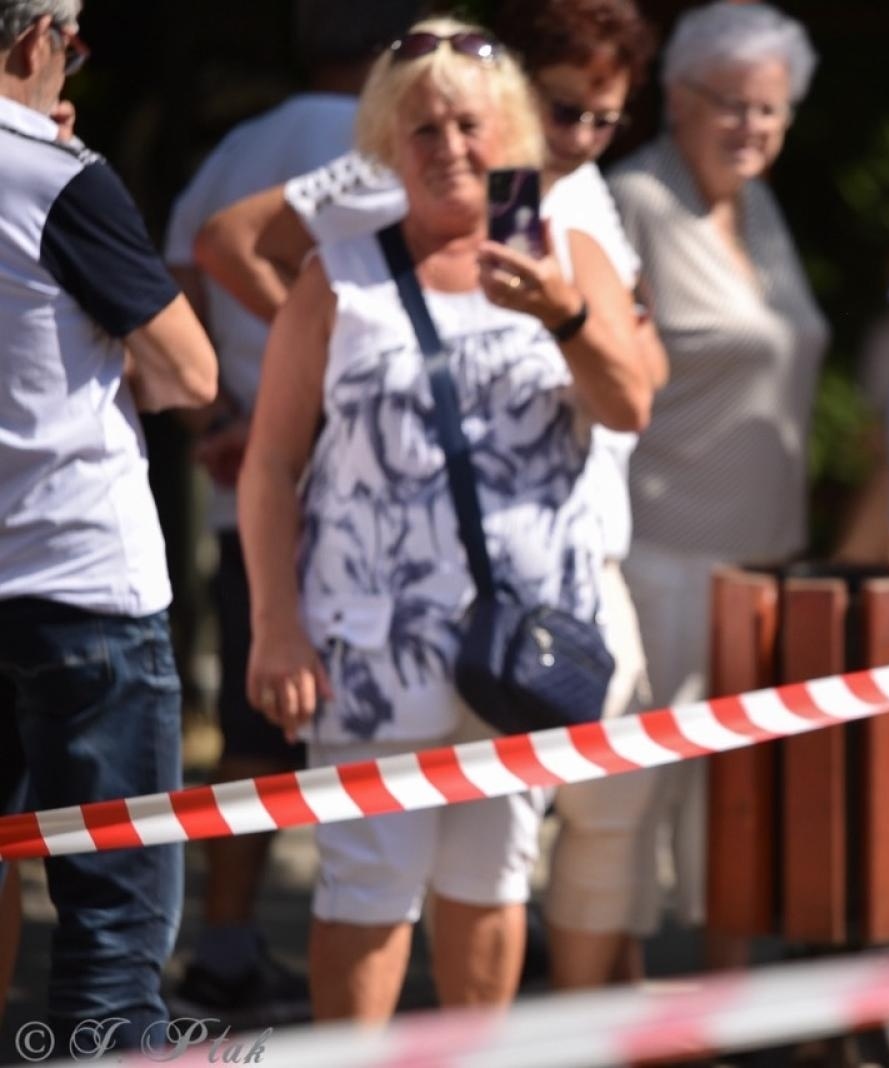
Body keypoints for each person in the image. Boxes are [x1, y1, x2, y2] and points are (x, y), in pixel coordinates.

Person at [193, 0, 669, 992]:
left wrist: (568, 315)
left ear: (511, 132)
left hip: (523, 642)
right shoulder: (339, 278)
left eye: (470, 125)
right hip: (370, 638)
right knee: (367, 893)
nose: (449, 146)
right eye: (423, 128)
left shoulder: (564, 253)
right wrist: (275, 627)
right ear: (386, 144)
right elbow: (273, 465)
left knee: (492, 886)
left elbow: (628, 405)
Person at [162, 0, 422, 1021]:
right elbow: (225, 248)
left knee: (253, 729)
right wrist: (340, 334)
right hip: (353, 481)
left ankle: (226, 943)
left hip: (247, 472)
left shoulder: (242, 142)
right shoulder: (379, 149)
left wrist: (221, 397)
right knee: (372, 728)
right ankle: (377, 962)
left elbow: (179, 262)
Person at [0, 0, 218, 1050]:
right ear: (35, 37)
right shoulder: (55, 177)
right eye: (72, 40)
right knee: (112, 928)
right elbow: (190, 372)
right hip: (80, 583)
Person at [606, 0, 828, 946]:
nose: (752, 126)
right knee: (635, 800)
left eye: (770, 109)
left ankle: (713, 1009)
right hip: (659, 552)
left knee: (735, 803)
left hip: (763, 560)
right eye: (730, 104)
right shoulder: (635, 202)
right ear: (677, 98)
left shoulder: (760, 205)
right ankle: (608, 1000)